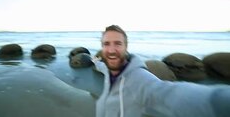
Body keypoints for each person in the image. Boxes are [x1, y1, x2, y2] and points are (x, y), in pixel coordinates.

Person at [92, 25, 230, 117]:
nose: (111, 50)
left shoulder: (138, 76)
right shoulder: (108, 68)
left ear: (126, 47)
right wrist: (95, 61)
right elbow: (103, 67)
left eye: (117, 43)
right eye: (106, 44)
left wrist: (219, 101)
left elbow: (165, 93)